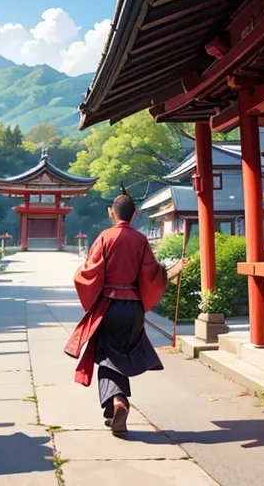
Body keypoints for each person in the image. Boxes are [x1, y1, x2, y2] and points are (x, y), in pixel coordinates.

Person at [64, 184, 185, 436]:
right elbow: (152, 274)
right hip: (133, 311)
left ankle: (118, 401)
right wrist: (171, 271)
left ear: (112, 213)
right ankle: (112, 411)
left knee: (108, 358)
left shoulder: (106, 237)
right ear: (134, 213)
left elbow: (88, 274)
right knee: (116, 357)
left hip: (109, 305)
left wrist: (81, 279)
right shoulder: (140, 240)